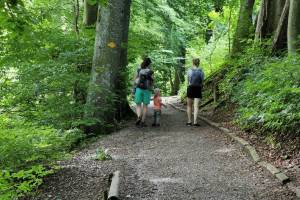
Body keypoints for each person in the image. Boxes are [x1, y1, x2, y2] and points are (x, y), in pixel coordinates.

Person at [134, 57, 154, 127]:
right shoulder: (150, 71)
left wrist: (133, 87)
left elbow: (135, 79)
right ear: (149, 64)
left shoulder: (139, 69)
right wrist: (152, 88)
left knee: (138, 105)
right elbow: (152, 81)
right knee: (145, 106)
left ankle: (139, 116)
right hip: (147, 89)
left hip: (139, 88)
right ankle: (143, 121)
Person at [186, 58, 205, 126]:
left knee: (189, 106)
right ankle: (195, 122)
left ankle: (189, 122)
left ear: (193, 63)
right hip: (198, 88)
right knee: (196, 106)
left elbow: (188, 81)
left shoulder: (189, 71)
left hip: (190, 88)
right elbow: (202, 82)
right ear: (198, 63)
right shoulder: (201, 71)